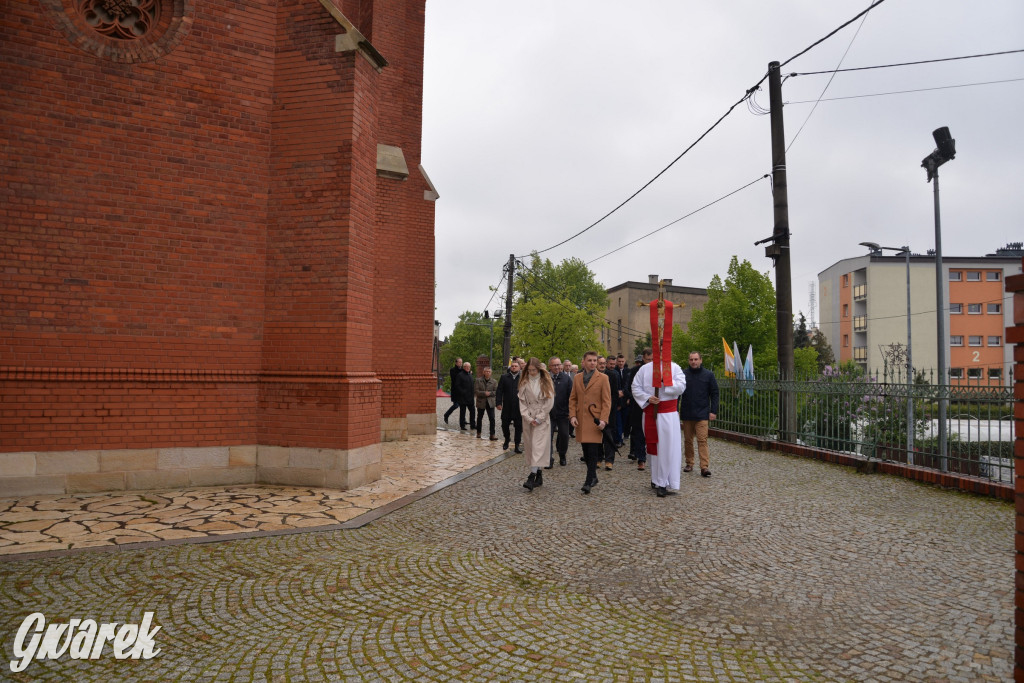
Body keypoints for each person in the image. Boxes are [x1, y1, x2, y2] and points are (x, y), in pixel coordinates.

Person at [631, 352, 686, 497]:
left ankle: (665, 482)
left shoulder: (675, 368)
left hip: (668, 415)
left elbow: (681, 387)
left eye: (664, 350)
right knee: (653, 448)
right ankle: (656, 479)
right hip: (650, 413)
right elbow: (635, 387)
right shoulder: (644, 369)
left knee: (668, 449)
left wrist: (666, 382)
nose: (661, 354)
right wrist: (648, 397)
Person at [569, 350, 611, 494]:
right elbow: (573, 398)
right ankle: (593, 476)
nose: (593, 363)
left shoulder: (603, 378)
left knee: (593, 451)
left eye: (595, 360)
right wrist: (572, 416)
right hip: (581, 420)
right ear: (584, 362)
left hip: (595, 420)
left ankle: (588, 480)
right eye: (590, 360)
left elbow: (607, 401)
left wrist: (604, 420)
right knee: (585, 452)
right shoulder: (577, 378)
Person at [679, 351, 720, 477]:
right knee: (688, 440)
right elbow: (677, 394)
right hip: (687, 413)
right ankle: (689, 463)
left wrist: (713, 410)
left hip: (702, 413)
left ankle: (704, 466)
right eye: (691, 359)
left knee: (702, 440)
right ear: (688, 361)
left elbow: (715, 393)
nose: (693, 361)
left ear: (701, 360)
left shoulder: (708, 375)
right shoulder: (683, 374)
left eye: (696, 359)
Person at [519, 358, 555, 492]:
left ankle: (531, 476)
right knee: (531, 446)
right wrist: (527, 417)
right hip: (528, 417)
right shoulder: (524, 382)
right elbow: (521, 401)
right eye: (529, 370)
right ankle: (539, 474)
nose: (531, 372)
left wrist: (540, 418)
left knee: (537, 446)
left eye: (534, 370)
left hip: (542, 417)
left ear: (539, 369)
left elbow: (549, 402)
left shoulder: (546, 381)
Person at [627, 350, 652, 469]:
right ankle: (641, 459)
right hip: (638, 406)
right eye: (648, 360)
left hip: (654, 407)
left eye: (652, 359)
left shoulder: (658, 371)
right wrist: (641, 398)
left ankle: (653, 458)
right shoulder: (635, 371)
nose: (650, 362)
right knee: (639, 433)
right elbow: (629, 388)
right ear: (643, 359)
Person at [548, 356, 571, 467]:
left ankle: (562, 455)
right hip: (548, 413)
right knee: (548, 437)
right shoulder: (545, 378)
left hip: (563, 413)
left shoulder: (566, 378)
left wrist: (571, 411)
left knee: (564, 435)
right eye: (554, 365)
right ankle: (549, 459)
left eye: (558, 365)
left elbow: (571, 396)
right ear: (550, 366)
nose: (557, 367)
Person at [597, 355, 620, 471]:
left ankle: (609, 460)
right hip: (596, 411)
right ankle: (598, 458)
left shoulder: (612, 375)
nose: (601, 365)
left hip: (609, 411)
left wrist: (611, 410)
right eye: (599, 363)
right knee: (597, 436)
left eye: (603, 363)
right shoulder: (592, 376)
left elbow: (615, 395)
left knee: (609, 436)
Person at [496, 360, 523, 453]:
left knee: (519, 427)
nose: (514, 367)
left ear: (519, 368)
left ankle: (517, 445)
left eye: (516, 366)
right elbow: (499, 391)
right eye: (512, 366)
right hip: (507, 406)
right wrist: (498, 403)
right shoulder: (504, 377)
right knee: (504, 425)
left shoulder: (523, 378)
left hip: (519, 407)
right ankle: (507, 439)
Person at [475, 365, 499, 440]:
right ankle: (478, 433)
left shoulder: (494, 381)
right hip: (481, 401)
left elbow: (496, 391)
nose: (488, 373)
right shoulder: (478, 380)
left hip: (490, 402)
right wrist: (484, 393)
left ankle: (492, 434)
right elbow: (476, 391)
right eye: (486, 371)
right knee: (479, 418)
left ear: (491, 373)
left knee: (492, 418)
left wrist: (490, 393)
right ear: (483, 372)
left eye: (489, 371)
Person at [453, 362, 476, 431]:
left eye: (469, 367)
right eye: (466, 367)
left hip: (470, 398)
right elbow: (457, 386)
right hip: (463, 397)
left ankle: (473, 425)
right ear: (464, 367)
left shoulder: (470, 375)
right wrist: (463, 392)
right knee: (463, 412)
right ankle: (462, 425)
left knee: (473, 411)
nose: (468, 368)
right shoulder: (460, 375)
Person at [443, 357, 463, 426]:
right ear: (456, 363)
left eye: (461, 362)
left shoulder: (463, 370)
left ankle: (463, 420)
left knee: (463, 405)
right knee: (456, 405)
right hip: (455, 391)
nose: (460, 363)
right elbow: (455, 378)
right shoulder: (452, 370)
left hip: (462, 391)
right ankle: (446, 414)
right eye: (459, 362)